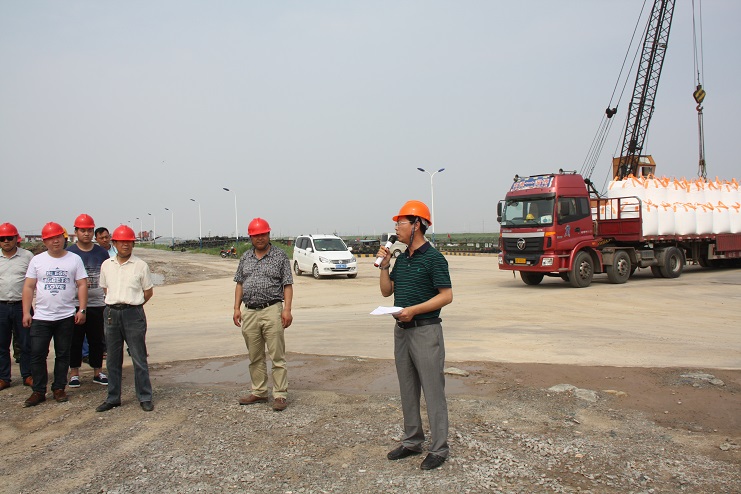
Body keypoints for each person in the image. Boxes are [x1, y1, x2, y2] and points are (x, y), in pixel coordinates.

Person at [376, 200, 453, 471]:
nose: (396, 228)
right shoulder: (402, 258)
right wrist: (385, 266)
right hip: (402, 332)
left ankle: (439, 448)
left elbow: (446, 296)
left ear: (417, 225)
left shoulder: (434, 258)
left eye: (401, 223)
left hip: (425, 331)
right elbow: (387, 291)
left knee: (433, 391)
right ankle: (412, 441)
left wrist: (414, 310)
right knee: (407, 389)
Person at [22, 222, 88, 407]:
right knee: (37, 354)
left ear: (64, 238)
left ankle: (59, 388)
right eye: (50, 238)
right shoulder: (37, 261)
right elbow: (29, 286)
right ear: (44, 241)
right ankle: (38, 390)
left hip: (65, 316)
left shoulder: (74, 259)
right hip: (41, 317)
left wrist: (82, 309)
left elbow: (82, 284)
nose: (55, 241)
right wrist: (26, 312)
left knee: (63, 354)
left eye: (58, 237)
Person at [232, 218, 293, 412]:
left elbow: (287, 284)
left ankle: (280, 394)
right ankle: (259, 392)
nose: (260, 238)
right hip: (249, 312)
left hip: (272, 310)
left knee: (277, 355)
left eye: (263, 234)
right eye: (256, 235)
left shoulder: (280, 256)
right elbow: (239, 283)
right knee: (255, 355)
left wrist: (287, 309)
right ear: (250, 237)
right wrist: (236, 308)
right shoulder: (245, 257)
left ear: (268, 234)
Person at [95, 225, 154, 412]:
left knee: (139, 357)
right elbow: (106, 289)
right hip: (111, 313)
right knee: (113, 359)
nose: (125, 245)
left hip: (133, 314)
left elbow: (148, 292)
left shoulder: (141, 266)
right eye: (121, 242)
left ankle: (145, 397)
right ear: (114, 243)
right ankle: (113, 397)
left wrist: (133, 305)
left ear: (133, 244)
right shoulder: (107, 265)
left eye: (129, 242)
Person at [66, 214, 109, 388]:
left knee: (96, 340)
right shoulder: (69, 253)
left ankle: (98, 371)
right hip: (74, 304)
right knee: (74, 340)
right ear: (76, 231)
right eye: (82, 230)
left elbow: (107, 275)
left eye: (89, 230)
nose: (86, 233)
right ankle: (74, 373)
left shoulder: (101, 252)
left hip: (97, 303)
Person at [0, 223, 34, 390]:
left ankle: (27, 375)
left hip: (22, 306)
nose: (6, 241)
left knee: (26, 342)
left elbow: (34, 280)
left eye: (9, 238)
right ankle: (4, 377)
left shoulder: (27, 256)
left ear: (16, 238)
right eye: (2, 238)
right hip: (1, 305)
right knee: (2, 344)